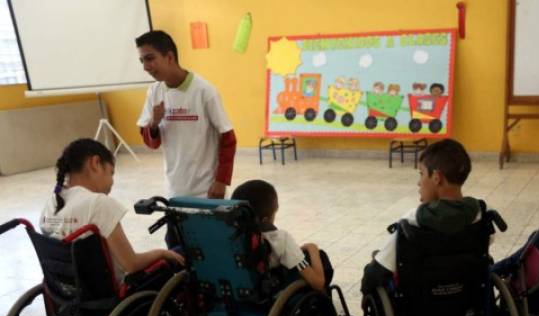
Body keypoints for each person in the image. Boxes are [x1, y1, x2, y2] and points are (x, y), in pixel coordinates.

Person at [40, 139, 184, 281]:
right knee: (182, 253)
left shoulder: (51, 203)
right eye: (111, 173)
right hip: (111, 294)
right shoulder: (98, 204)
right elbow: (131, 264)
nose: (112, 182)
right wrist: (161, 253)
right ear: (95, 163)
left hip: (68, 290)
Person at [361, 139, 478, 293]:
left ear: (437, 178)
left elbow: (373, 276)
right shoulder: (480, 214)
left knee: (372, 270)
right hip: (466, 304)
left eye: (421, 174)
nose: (418, 183)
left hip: (419, 310)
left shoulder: (413, 221)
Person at [135, 30, 237, 201]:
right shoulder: (154, 92)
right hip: (174, 189)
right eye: (142, 61)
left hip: (207, 190)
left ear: (169, 57)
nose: (145, 67)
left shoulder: (205, 91)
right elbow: (151, 144)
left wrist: (221, 181)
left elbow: (228, 139)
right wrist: (153, 124)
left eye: (150, 58)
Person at [231, 180, 332, 291]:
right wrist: (312, 248)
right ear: (265, 220)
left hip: (238, 291)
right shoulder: (281, 239)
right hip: (270, 294)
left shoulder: (230, 237)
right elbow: (318, 283)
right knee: (319, 256)